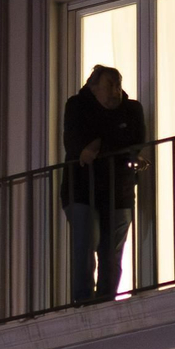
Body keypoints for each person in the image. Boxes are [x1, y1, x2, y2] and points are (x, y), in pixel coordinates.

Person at [61, 65, 146, 303]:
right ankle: (84, 303)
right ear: (93, 85)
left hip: (119, 191)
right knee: (86, 247)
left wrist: (98, 145)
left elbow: (135, 141)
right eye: (110, 84)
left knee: (112, 254)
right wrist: (117, 146)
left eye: (118, 84)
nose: (116, 90)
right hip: (81, 189)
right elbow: (75, 144)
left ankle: (106, 301)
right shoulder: (77, 106)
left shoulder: (131, 109)